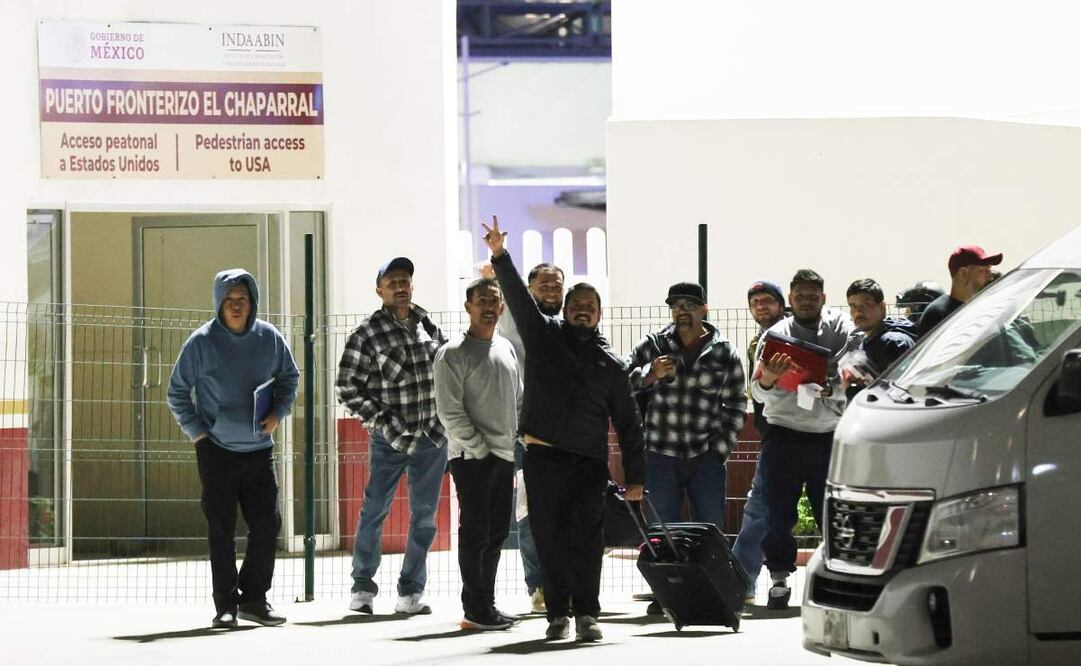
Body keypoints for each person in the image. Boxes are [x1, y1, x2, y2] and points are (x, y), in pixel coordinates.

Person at [484, 215, 645, 643]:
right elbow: (518, 298)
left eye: (590, 307)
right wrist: (500, 256)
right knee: (548, 537)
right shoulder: (541, 336)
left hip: (589, 465)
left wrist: (636, 479)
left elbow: (629, 424)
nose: (581, 311)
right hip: (542, 458)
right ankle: (558, 614)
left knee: (587, 541)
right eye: (576, 305)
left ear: (598, 314)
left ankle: (588, 614)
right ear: (566, 309)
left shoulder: (611, 365)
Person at [167, 269, 299, 628]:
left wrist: (278, 412)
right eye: (229, 300)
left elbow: (290, 377)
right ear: (218, 304)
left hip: (259, 449)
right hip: (217, 451)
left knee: (267, 523)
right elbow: (176, 391)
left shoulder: (269, 338)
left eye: (242, 299)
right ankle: (225, 604)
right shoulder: (201, 343)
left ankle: (254, 599)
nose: (236, 305)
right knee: (222, 529)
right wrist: (198, 434)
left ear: (252, 301)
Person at [336, 256, 448, 616]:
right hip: (391, 439)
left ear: (412, 286)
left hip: (432, 437)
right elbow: (346, 386)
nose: (400, 286)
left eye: (405, 280)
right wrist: (380, 420)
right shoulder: (366, 334)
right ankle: (362, 589)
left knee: (425, 517)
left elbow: (447, 374)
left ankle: (410, 593)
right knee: (374, 511)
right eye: (392, 281)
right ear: (379, 290)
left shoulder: (429, 325)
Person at [750, 269, 854, 610]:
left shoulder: (841, 328)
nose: (806, 300)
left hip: (829, 434)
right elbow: (757, 392)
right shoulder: (774, 336)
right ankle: (779, 581)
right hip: (784, 436)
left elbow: (855, 366)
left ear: (823, 298)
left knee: (834, 513)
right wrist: (770, 379)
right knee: (778, 514)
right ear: (790, 301)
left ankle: (839, 579)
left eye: (813, 295)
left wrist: (833, 383)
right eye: (800, 296)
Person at [435, 278, 523, 631]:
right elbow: (450, 411)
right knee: (476, 533)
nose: (489, 307)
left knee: (498, 532)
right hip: (472, 459)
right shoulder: (453, 353)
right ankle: (474, 608)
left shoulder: (506, 348)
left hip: (504, 455)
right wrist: (479, 448)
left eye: (495, 301)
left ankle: (487, 603)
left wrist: (513, 442)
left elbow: (517, 397)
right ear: (468, 306)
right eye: (482, 301)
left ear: (502, 307)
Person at [626, 282, 745, 528]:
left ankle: (705, 570)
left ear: (704, 309)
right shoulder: (652, 345)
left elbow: (736, 404)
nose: (682, 311)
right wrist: (650, 374)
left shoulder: (723, 351)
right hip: (660, 456)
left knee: (709, 536)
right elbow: (619, 384)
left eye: (689, 306)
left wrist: (718, 453)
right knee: (663, 536)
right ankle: (670, 570)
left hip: (705, 458)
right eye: (676, 306)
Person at [492, 260, 565, 614]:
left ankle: (565, 581)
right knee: (528, 513)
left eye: (557, 286)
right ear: (530, 289)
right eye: (544, 285)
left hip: (566, 436)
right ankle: (537, 585)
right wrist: (497, 261)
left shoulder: (568, 327)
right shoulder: (514, 320)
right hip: (524, 436)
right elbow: (505, 290)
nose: (551, 291)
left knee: (567, 512)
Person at [732, 279, 786, 601]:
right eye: (755, 302)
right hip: (774, 436)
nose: (761, 306)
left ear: (781, 304)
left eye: (767, 300)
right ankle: (741, 583)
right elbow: (758, 392)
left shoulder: (798, 335)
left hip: (815, 434)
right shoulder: (756, 343)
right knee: (759, 507)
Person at [843, 279, 918, 400]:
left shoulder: (890, 342)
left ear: (882, 308)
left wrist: (853, 392)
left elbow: (898, 395)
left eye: (866, 304)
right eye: (853, 306)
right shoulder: (871, 340)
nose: (858, 312)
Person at [916, 246, 1002, 336]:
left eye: (989, 271)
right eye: (983, 271)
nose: (990, 277)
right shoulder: (938, 315)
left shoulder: (982, 309)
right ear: (963, 273)